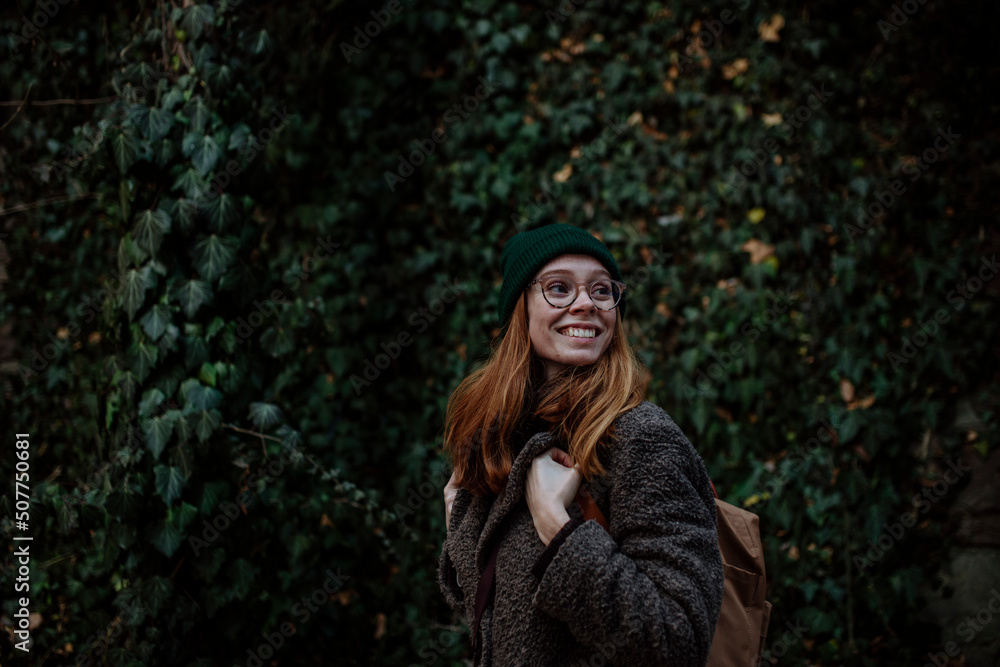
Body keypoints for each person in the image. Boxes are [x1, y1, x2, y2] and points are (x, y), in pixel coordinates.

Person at [437, 223, 724, 666]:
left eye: (602, 290)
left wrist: (557, 526)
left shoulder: (640, 438)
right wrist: (460, 529)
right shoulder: (503, 438)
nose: (587, 303)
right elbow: (510, 625)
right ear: (519, 309)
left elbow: (677, 639)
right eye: (559, 288)